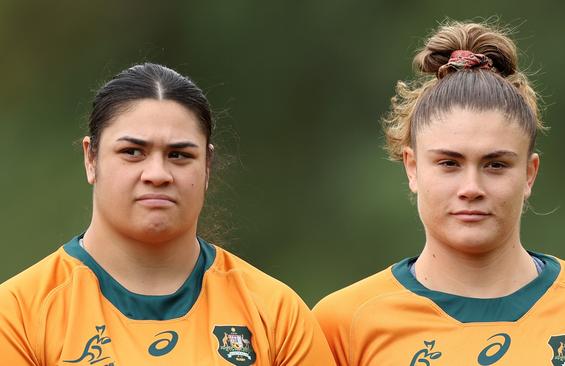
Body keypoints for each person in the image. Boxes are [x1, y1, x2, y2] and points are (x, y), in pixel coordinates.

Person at [313, 21, 565, 365]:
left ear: (529, 174)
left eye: (496, 165)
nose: (471, 188)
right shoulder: (342, 324)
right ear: (412, 168)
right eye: (448, 163)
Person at [0, 63, 336, 365]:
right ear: (91, 158)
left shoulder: (276, 314)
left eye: (178, 155)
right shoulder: (18, 314)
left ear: (206, 166)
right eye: (133, 152)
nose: (157, 173)